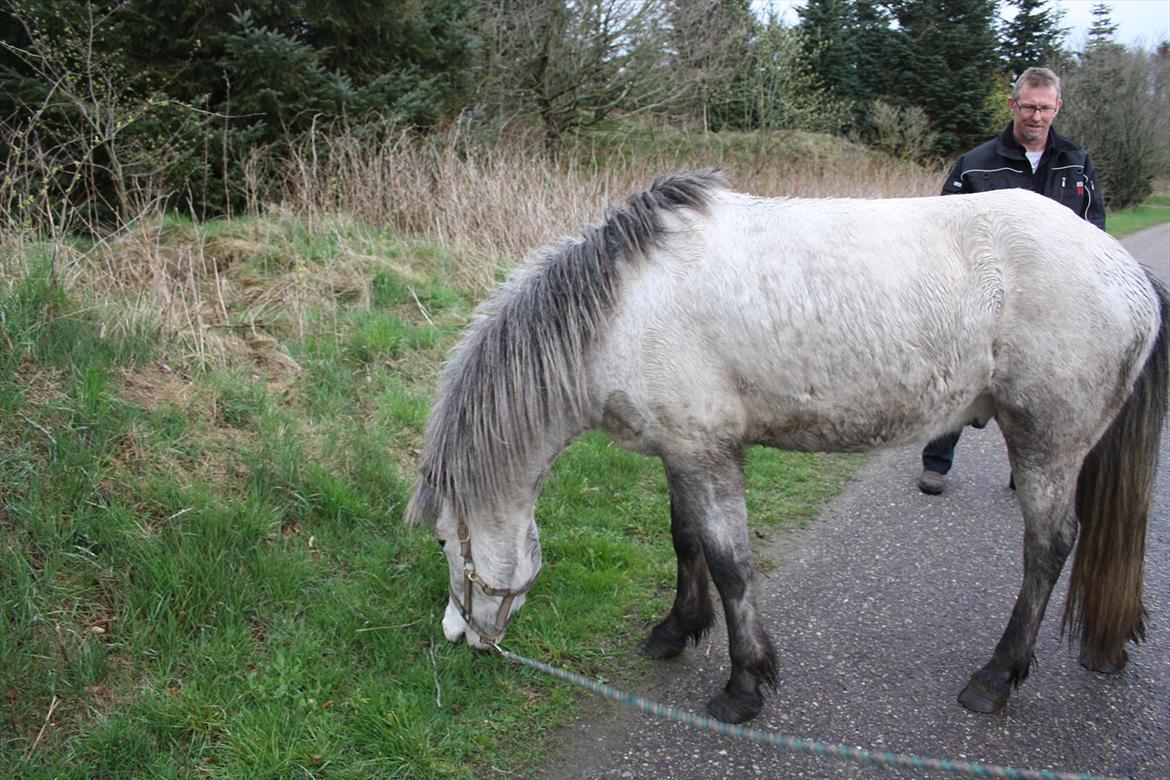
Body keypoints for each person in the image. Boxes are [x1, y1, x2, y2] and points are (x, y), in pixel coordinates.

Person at [917, 66, 1106, 495]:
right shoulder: (975, 165)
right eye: (1028, 107)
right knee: (964, 380)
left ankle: (1024, 470)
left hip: (1049, 303)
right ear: (1013, 105)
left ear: (1057, 108)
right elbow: (940, 234)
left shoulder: (1077, 162)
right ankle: (936, 463)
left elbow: (1094, 232)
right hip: (981, 303)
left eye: (1044, 108)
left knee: (1038, 390)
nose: (1036, 116)